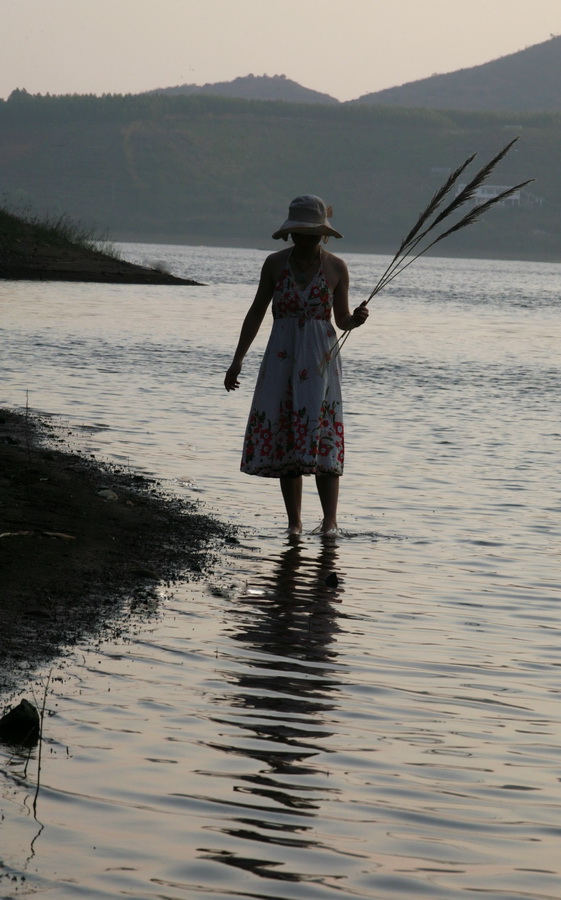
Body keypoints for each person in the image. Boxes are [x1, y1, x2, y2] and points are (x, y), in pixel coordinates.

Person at [224, 195, 368, 534]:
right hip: (281, 356)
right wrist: (238, 359)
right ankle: (294, 524)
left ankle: (330, 522)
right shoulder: (275, 264)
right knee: (287, 433)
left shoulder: (336, 267)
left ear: (322, 234)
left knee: (322, 435)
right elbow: (257, 312)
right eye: (301, 233)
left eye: (313, 233)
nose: (307, 239)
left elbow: (343, 319)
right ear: (290, 233)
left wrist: (356, 320)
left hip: (321, 358)